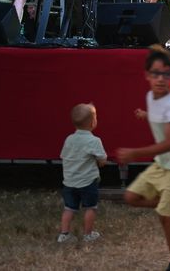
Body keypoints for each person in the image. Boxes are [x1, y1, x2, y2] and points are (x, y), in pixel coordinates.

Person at [116, 45, 170, 271]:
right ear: (147, 75)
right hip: (163, 164)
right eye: (156, 74)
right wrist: (146, 115)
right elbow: (157, 115)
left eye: (166, 74)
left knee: (165, 215)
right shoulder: (151, 97)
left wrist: (134, 153)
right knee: (131, 197)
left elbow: (169, 143)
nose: (160, 79)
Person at [58, 103, 107, 243]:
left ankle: (64, 234)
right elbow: (102, 160)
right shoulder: (94, 141)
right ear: (93, 122)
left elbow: (63, 156)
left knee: (69, 208)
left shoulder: (69, 139)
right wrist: (99, 162)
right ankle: (88, 234)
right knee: (90, 208)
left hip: (69, 182)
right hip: (88, 182)